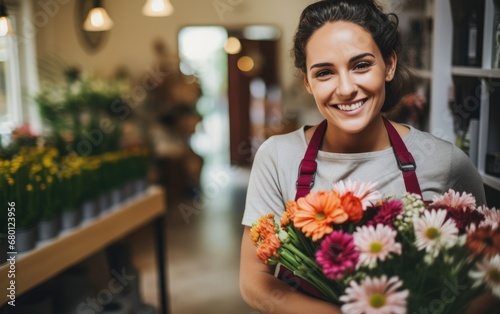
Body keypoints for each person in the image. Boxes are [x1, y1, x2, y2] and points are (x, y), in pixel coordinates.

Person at [239, 0, 494, 313]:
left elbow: (485, 278)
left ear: (388, 65)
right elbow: (254, 280)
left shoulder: (446, 163)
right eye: (324, 73)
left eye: (361, 65)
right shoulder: (277, 156)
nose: (346, 89)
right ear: (307, 82)